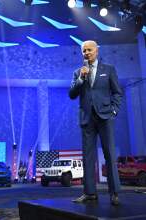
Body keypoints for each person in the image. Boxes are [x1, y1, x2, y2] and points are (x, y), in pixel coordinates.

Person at [69, 40, 122, 206]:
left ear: (97, 51)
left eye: (89, 50)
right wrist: (80, 79)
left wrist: (113, 110)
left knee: (109, 155)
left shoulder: (109, 70)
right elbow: (72, 94)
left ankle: (114, 193)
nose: (87, 53)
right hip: (87, 119)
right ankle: (90, 192)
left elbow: (117, 93)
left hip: (105, 117)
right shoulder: (78, 72)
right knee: (87, 157)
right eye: (84, 50)